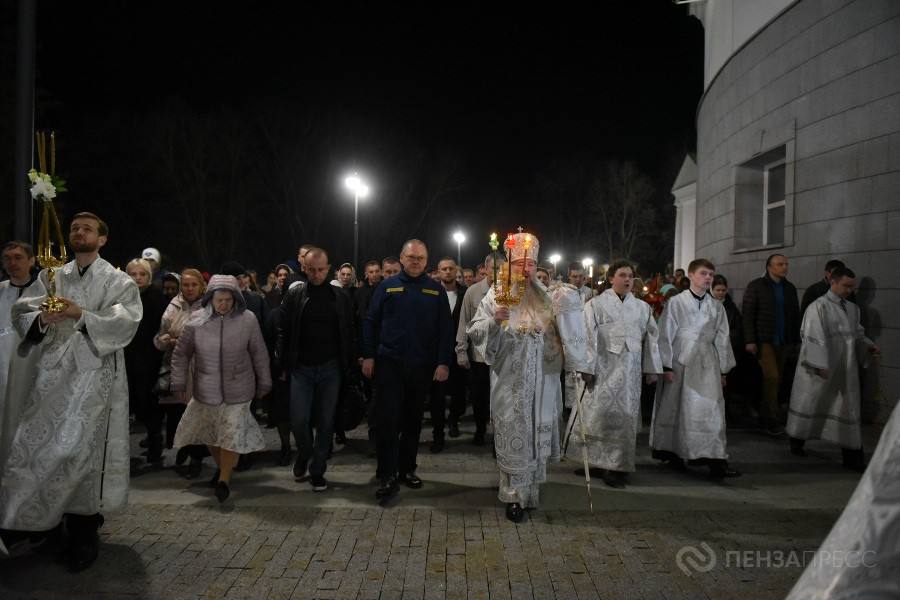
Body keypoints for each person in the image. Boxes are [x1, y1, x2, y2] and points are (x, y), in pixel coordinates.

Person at [0, 212, 142, 572]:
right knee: (37, 445)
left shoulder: (117, 279)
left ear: (102, 239)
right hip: (51, 376)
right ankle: (38, 523)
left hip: (93, 374)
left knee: (81, 451)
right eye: (75, 228)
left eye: (88, 229)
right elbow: (22, 312)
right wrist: (43, 320)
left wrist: (81, 314)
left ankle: (83, 533)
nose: (80, 232)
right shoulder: (53, 275)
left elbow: (126, 320)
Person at [467, 231, 591, 522]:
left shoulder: (549, 296)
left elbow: (567, 334)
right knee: (515, 435)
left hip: (544, 382)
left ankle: (531, 492)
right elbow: (476, 330)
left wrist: (576, 359)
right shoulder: (497, 293)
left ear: (537, 266)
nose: (525, 269)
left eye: (531, 264)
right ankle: (512, 497)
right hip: (511, 382)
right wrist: (495, 321)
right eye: (519, 263)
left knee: (536, 435)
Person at [362, 239, 452, 501]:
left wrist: (443, 362)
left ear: (427, 261)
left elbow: (445, 329)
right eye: (411, 257)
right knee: (388, 421)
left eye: (421, 258)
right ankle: (387, 474)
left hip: (421, 367)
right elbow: (370, 323)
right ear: (401, 258)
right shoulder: (386, 287)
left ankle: (407, 469)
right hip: (389, 364)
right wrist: (368, 355)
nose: (416, 262)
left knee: (413, 421)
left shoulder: (435, 290)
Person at [171, 275, 272, 503]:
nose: (223, 304)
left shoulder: (248, 320)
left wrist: (265, 380)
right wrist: (177, 382)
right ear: (211, 298)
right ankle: (223, 470)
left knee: (230, 434)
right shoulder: (196, 320)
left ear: (236, 298)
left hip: (239, 388)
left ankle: (224, 480)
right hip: (206, 389)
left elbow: (258, 352)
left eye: (228, 299)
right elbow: (181, 354)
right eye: (219, 299)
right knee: (211, 433)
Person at [565, 260, 662, 489]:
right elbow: (587, 335)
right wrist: (586, 367)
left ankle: (617, 467)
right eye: (622, 275)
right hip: (602, 371)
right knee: (597, 419)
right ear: (611, 278)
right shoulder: (595, 305)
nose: (627, 279)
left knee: (623, 420)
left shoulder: (642, 307)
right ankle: (598, 463)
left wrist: (651, 368)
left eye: (630, 275)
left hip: (630, 373)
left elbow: (652, 339)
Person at [650, 258, 739, 479]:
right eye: (703, 273)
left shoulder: (716, 306)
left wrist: (723, 370)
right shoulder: (677, 302)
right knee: (679, 408)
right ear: (690, 275)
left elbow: (722, 338)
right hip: (681, 361)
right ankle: (674, 453)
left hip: (707, 363)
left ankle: (715, 459)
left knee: (711, 409)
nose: (708, 277)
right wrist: (666, 365)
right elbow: (665, 334)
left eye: (711, 274)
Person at [276, 248, 357, 491]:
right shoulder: (295, 294)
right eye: (311, 269)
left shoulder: (340, 296)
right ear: (304, 268)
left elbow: (349, 332)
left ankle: (317, 469)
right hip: (301, 367)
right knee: (299, 421)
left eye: (321, 269)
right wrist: (282, 362)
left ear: (328, 268)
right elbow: (283, 328)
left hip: (331, 367)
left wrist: (349, 365)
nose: (317, 274)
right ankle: (304, 452)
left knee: (326, 421)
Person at [786, 267, 878, 471]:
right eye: (845, 286)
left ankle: (853, 456)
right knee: (811, 401)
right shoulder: (818, 307)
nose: (849, 290)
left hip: (845, 368)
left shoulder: (853, 309)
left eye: (851, 287)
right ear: (833, 282)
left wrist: (868, 345)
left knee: (847, 407)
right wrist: (819, 364)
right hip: (823, 367)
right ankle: (797, 439)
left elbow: (857, 333)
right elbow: (812, 336)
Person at [153, 268, 207, 476]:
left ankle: (197, 457)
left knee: (198, 414)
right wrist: (165, 341)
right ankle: (184, 446)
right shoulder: (173, 306)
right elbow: (160, 336)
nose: (190, 288)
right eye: (186, 285)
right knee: (178, 413)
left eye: (194, 284)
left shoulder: (209, 305)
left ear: (201, 285)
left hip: (202, 369)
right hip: (176, 367)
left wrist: (183, 340)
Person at [742, 254, 801, 436]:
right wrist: (750, 340)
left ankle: (765, 413)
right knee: (772, 377)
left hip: (784, 340)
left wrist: (796, 340)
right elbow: (748, 314)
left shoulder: (789, 288)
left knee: (777, 379)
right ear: (769, 267)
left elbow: (794, 314)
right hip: (764, 340)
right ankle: (771, 419)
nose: (784, 267)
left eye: (786, 264)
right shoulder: (757, 286)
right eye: (780, 264)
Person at [456, 252, 505, 446]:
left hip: (502, 357)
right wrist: (461, 350)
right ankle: (480, 429)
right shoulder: (473, 292)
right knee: (479, 397)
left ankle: (498, 436)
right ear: (485, 269)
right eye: (493, 268)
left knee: (499, 399)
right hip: (479, 355)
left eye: (501, 269)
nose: (497, 273)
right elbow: (464, 322)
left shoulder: (511, 291)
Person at [124, 258, 168, 463]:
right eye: (134, 274)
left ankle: (155, 442)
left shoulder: (157, 297)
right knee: (132, 400)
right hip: (127, 355)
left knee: (149, 402)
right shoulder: (122, 296)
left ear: (149, 276)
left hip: (150, 357)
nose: (138, 278)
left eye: (142, 274)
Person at [429, 257, 467, 453]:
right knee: (438, 395)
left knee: (459, 392)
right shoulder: (431, 291)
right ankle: (438, 434)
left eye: (451, 269)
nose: (448, 272)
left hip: (459, 349)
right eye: (444, 269)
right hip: (436, 352)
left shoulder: (465, 293)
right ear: (438, 271)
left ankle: (454, 420)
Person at [0, 242, 38, 419]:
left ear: (31, 260)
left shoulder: (42, 291)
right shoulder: (1, 290)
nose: (12, 263)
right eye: (7, 258)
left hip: (33, 360)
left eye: (18, 257)